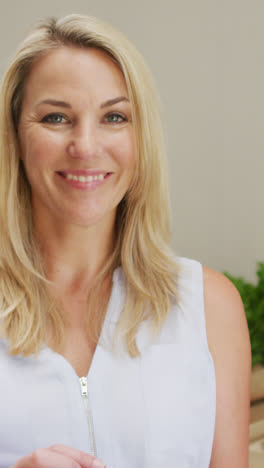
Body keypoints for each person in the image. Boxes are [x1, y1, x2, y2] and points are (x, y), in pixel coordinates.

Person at [0, 13, 251, 468]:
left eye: (114, 117)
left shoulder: (209, 307)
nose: (86, 145)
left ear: (142, 139)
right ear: (15, 135)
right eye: (56, 117)